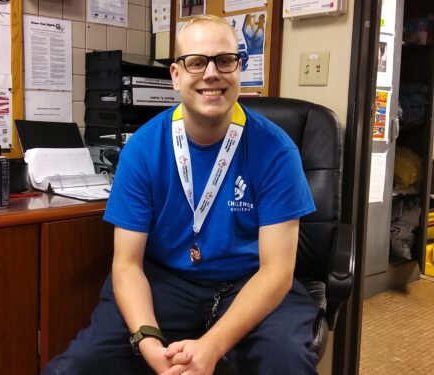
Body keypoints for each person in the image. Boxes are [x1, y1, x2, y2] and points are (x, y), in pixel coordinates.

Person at [42, 15, 319, 375]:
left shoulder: (276, 151)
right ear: (175, 75)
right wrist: (149, 342)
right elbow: (127, 264)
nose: (211, 73)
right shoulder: (142, 149)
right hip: (166, 281)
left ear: (239, 68)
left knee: (286, 360)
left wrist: (211, 347)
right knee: (80, 365)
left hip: (249, 282)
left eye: (224, 60)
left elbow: (277, 271)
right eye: (196, 62)